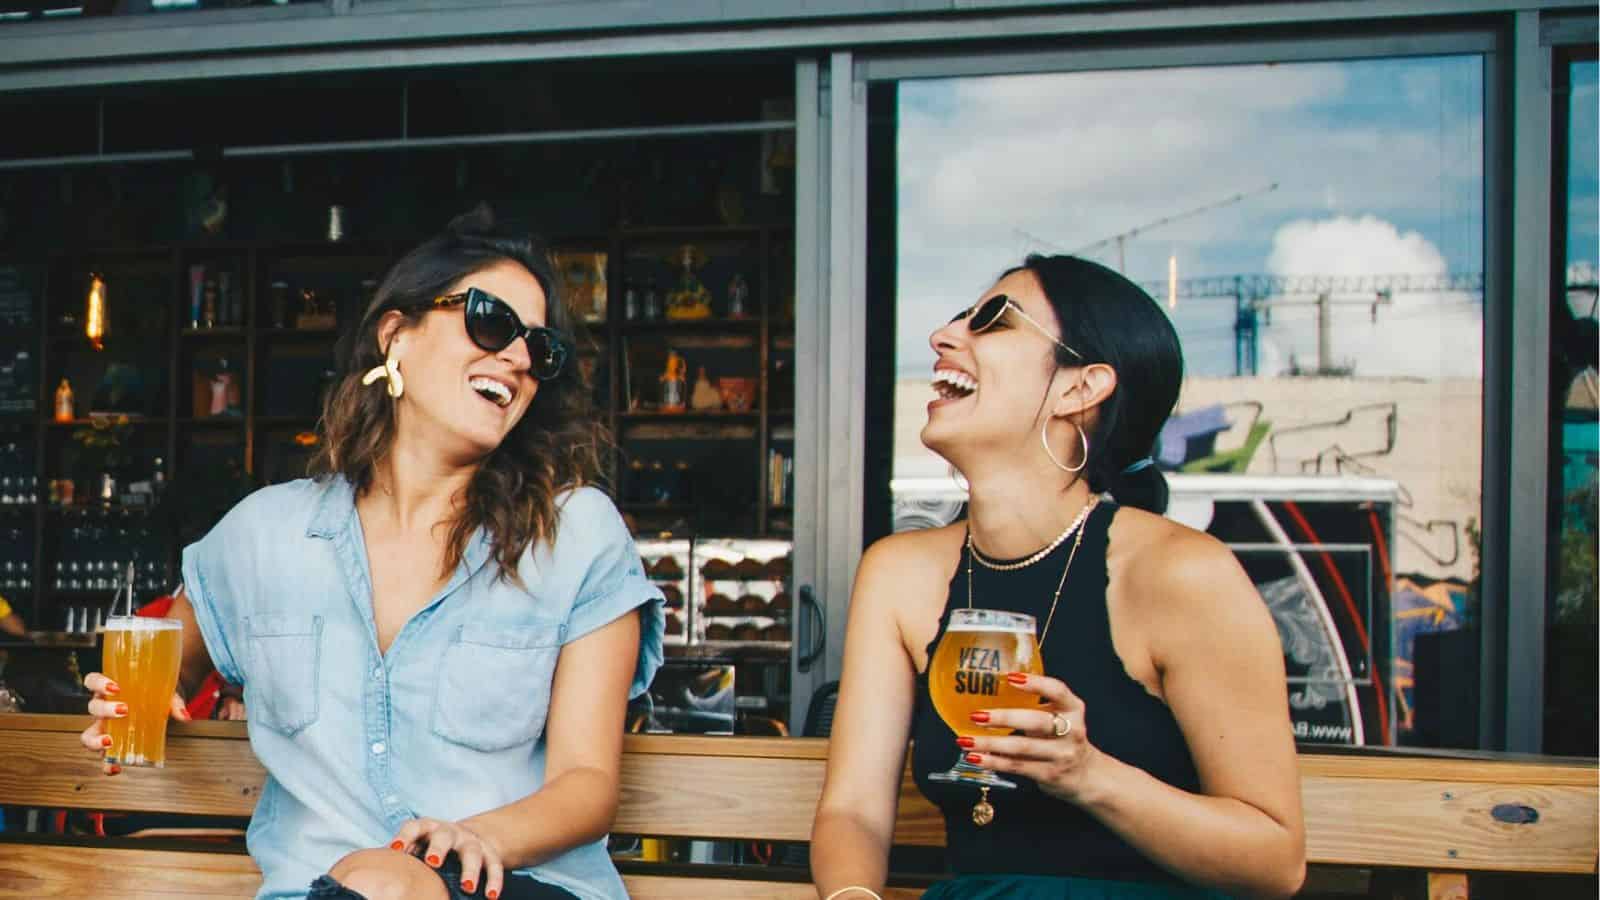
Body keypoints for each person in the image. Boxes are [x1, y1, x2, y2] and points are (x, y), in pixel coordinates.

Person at [78, 205, 665, 900]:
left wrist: (476, 841)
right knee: (374, 883)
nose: (516, 356)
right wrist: (125, 702)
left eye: (539, 348)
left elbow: (588, 784)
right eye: (489, 321)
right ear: (397, 335)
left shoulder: (578, 535)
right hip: (329, 890)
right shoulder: (264, 535)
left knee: (385, 883)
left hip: (512, 883)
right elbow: (167, 661)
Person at [811, 255, 1304, 900]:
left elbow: (1275, 863)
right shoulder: (899, 573)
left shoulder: (1181, 574)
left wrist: (1088, 775)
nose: (942, 336)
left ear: (1080, 388)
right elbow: (853, 810)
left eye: (992, 321)